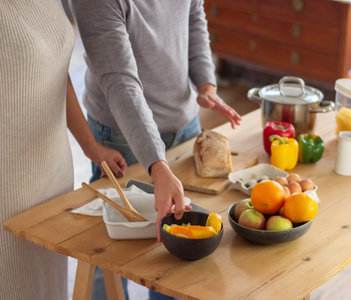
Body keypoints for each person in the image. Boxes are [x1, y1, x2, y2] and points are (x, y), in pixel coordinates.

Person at [70, 0, 241, 299]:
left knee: (176, 255)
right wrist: (157, 164)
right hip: (122, 138)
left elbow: (192, 14)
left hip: (185, 125)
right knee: (111, 256)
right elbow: (120, 81)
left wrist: (205, 82)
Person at [0, 1, 127, 299]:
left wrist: (90, 146)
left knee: (46, 284)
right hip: (7, 178)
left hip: (50, 167)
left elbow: (56, 72)